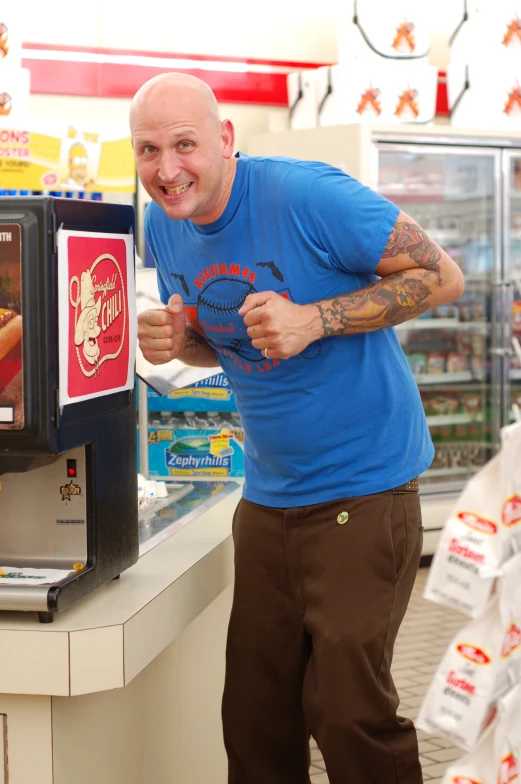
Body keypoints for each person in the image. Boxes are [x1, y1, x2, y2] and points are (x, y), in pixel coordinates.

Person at [130, 72, 464, 784]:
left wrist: (314, 320)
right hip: (268, 499)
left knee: (346, 713)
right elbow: (217, 341)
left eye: (183, 144)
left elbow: (443, 278)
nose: (166, 169)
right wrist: (177, 341)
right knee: (254, 720)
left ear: (223, 139)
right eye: (148, 150)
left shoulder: (306, 194)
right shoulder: (163, 223)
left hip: (365, 490)